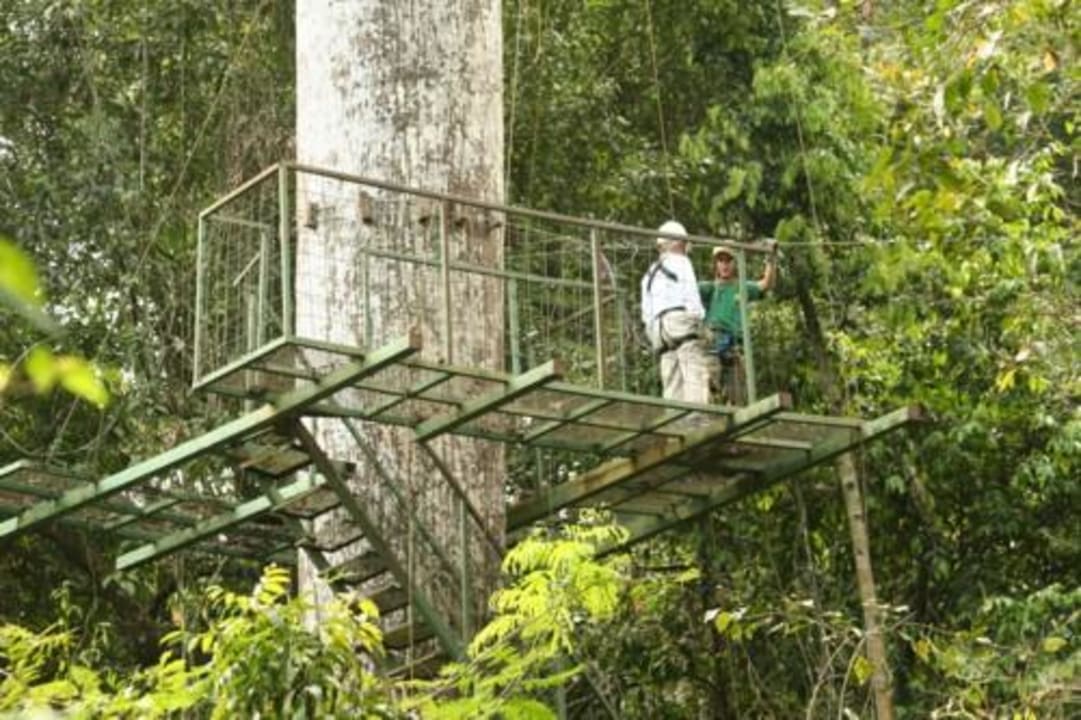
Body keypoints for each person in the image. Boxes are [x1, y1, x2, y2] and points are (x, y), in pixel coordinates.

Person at [640, 221, 711, 405]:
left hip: (658, 330)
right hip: (679, 321)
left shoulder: (649, 274)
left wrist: (654, 332)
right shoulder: (681, 262)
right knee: (694, 370)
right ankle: (698, 419)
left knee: (671, 379)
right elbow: (691, 294)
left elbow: (646, 313)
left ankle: (676, 424)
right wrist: (699, 321)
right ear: (678, 243)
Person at [699, 241, 777, 405]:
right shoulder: (710, 288)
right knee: (708, 389)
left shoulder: (741, 287)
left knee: (737, 398)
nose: (725, 265)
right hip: (713, 343)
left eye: (729, 260)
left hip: (734, 345)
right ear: (716, 264)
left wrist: (771, 258)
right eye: (721, 261)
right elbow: (687, 289)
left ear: (735, 263)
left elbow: (766, 284)